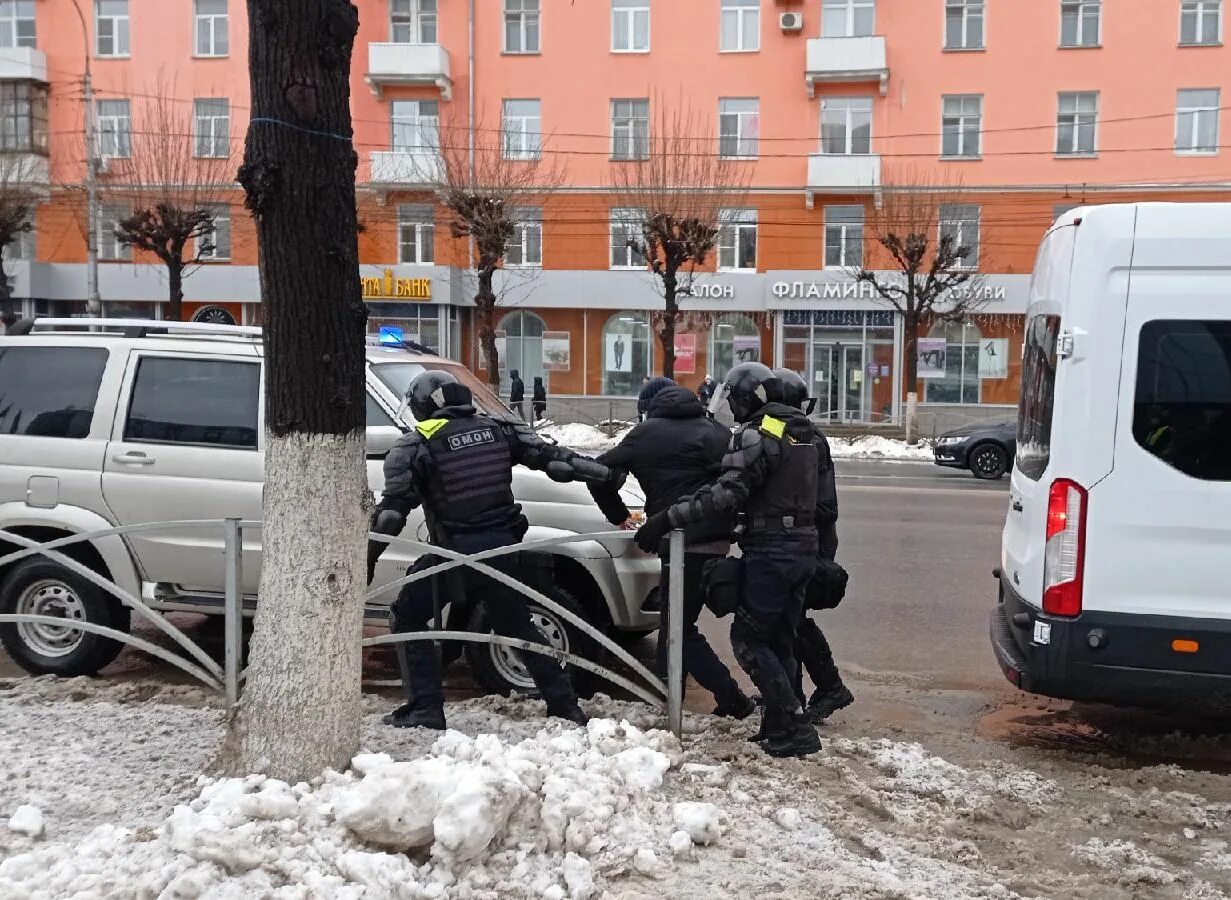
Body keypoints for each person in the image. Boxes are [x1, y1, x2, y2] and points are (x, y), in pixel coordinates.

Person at [368, 370, 617, 730]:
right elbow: (555, 460)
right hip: (503, 550)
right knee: (518, 625)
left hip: (455, 555)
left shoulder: (416, 444)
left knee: (408, 617)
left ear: (423, 406)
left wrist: (368, 560)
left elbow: (391, 515)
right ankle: (565, 706)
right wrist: (604, 474)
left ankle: (425, 707)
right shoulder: (498, 429)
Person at [636, 362, 821, 758]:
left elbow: (724, 494)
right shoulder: (800, 432)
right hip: (803, 547)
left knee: (749, 639)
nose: (731, 408)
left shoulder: (756, 435)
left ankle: (795, 725)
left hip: (771, 551)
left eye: (734, 398)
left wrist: (666, 519)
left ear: (748, 397)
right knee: (780, 639)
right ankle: (778, 727)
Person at [588, 378, 756, 720]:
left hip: (675, 540)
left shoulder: (645, 434)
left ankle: (731, 698)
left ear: (649, 407)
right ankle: (669, 691)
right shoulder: (716, 431)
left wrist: (619, 516)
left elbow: (597, 475)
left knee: (679, 626)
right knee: (676, 620)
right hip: (716, 540)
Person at [774, 368, 854, 724]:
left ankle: (829, 687)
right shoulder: (789, 432)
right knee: (786, 617)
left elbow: (822, 504)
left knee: (791, 618)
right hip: (805, 538)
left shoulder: (806, 438)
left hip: (812, 541)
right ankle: (792, 692)